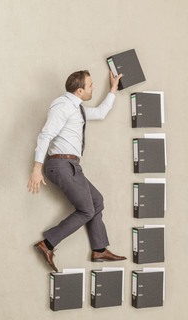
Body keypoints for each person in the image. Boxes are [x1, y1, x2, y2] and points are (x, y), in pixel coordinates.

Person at [27, 70, 126, 272]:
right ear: (80, 90)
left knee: (96, 201)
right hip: (61, 164)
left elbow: (99, 112)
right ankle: (47, 244)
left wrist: (113, 89)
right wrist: (37, 168)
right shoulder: (63, 106)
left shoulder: (77, 109)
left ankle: (99, 249)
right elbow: (45, 135)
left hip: (71, 165)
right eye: (90, 85)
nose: (93, 88)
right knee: (86, 209)